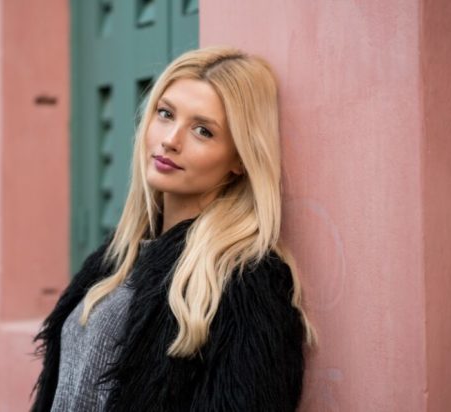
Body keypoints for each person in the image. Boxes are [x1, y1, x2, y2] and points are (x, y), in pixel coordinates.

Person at [29, 46, 316, 412]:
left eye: (202, 131)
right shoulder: (118, 257)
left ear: (240, 159)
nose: (170, 140)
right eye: (165, 114)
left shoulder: (246, 282)